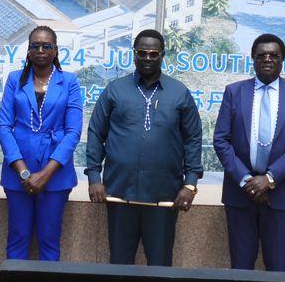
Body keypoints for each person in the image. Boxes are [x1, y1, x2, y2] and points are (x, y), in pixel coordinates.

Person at [86, 29, 203, 267]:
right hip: (119, 194)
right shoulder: (115, 90)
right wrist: (94, 178)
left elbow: (193, 138)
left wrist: (190, 184)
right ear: (134, 54)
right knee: (119, 267)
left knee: (160, 267)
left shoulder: (179, 92)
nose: (147, 58)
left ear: (162, 55)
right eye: (142, 53)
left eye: (153, 53)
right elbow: (96, 133)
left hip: (163, 197)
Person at [214, 34, 285, 272]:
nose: (267, 59)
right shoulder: (234, 92)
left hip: (280, 195)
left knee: (278, 268)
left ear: (282, 60)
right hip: (241, 194)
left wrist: (269, 179)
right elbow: (221, 140)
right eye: (261, 55)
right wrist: (247, 181)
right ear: (253, 59)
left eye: (273, 55)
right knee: (241, 267)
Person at [0, 27, 82, 263]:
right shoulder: (15, 79)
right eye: (35, 46)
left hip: (55, 174)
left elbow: (73, 132)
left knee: (49, 240)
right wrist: (23, 172)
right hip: (18, 174)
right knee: (17, 237)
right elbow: (3, 126)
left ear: (56, 50)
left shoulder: (69, 81)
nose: (41, 50)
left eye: (46, 46)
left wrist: (46, 174)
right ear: (28, 51)